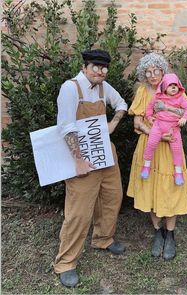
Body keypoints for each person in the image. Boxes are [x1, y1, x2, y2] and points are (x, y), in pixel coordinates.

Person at [54, 49, 127, 288]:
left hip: (106, 155)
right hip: (81, 159)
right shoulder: (70, 88)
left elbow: (122, 104)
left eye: (105, 68)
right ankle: (66, 262)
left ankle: (103, 239)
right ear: (85, 67)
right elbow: (65, 127)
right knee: (78, 211)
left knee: (112, 198)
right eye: (96, 67)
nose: (101, 72)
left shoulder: (105, 88)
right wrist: (77, 160)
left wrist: (113, 123)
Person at [127, 52, 187, 261]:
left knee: (172, 186)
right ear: (144, 74)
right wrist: (153, 133)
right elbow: (137, 122)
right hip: (150, 144)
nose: (152, 75)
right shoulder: (143, 92)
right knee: (150, 186)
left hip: (170, 148)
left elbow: (186, 111)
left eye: (156, 70)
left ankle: (171, 234)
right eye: (148, 72)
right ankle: (158, 231)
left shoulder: (173, 90)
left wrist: (170, 126)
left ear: (163, 71)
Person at [141, 73, 187, 185]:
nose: (174, 87)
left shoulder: (180, 98)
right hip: (158, 125)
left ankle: (178, 173)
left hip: (174, 128)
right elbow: (150, 107)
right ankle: (146, 166)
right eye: (170, 85)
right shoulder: (158, 97)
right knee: (151, 143)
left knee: (177, 150)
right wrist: (149, 117)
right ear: (164, 87)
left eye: (175, 85)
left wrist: (184, 117)